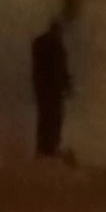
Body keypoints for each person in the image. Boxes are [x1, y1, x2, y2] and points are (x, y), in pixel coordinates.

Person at [30, 20, 72, 159]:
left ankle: (42, 148)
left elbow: (37, 68)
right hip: (54, 89)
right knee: (54, 118)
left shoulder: (39, 43)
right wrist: (67, 86)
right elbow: (61, 68)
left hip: (41, 88)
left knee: (44, 117)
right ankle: (51, 148)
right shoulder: (57, 45)